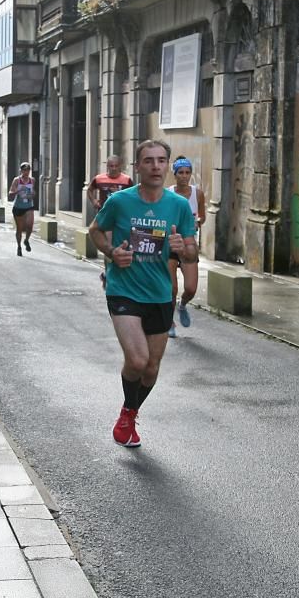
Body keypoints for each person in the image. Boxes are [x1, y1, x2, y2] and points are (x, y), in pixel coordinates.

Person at [88, 139, 198, 447]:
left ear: (167, 166)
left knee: (151, 368)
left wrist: (183, 248)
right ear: (138, 167)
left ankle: (129, 412)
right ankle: (127, 416)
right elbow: (95, 230)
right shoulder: (121, 201)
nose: (155, 166)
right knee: (137, 360)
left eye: (161, 160)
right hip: (124, 290)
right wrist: (112, 253)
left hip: (160, 294)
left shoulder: (178, 206)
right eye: (148, 161)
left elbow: (191, 252)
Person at [166, 156, 206, 337]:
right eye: (180, 173)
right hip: (171, 244)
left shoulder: (197, 194)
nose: (184, 176)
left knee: (190, 288)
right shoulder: (167, 194)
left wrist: (198, 222)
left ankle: (182, 306)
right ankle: (169, 322)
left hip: (189, 245)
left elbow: (202, 216)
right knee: (171, 288)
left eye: (187, 172)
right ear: (174, 174)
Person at [87, 156, 135, 289]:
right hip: (106, 218)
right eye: (111, 166)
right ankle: (109, 274)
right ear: (107, 166)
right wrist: (94, 202)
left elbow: (134, 196)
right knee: (109, 246)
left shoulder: (127, 180)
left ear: (120, 166)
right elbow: (90, 190)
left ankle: (111, 273)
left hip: (123, 218)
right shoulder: (99, 179)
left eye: (116, 166)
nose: (113, 169)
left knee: (122, 245)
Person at [8, 162, 36, 257]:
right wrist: (17, 191)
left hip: (29, 205)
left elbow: (33, 192)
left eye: (28, 170)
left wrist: (32, 194)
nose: (26, 172)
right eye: (24, 170)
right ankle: (19, 246)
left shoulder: (32, 180)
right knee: (19, 229)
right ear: (21, 170)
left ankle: (26, 240)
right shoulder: (17, 180)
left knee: (30, 225)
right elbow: (10, 193)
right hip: (18, 207)